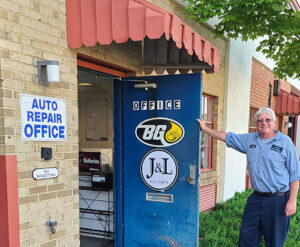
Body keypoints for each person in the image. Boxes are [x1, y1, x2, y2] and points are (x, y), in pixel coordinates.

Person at [197, 107, 300, 247]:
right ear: (256, 124)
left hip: (278, 201)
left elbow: (295, 175)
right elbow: (227, 137)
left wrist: (292, 201)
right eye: (260, 120)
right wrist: (205, 129)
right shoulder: (249, 140)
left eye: (268, 120)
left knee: (275, 242)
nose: (264, 123)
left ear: (274, 123)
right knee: (246, 239)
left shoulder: (286, 143)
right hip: (255, 200)